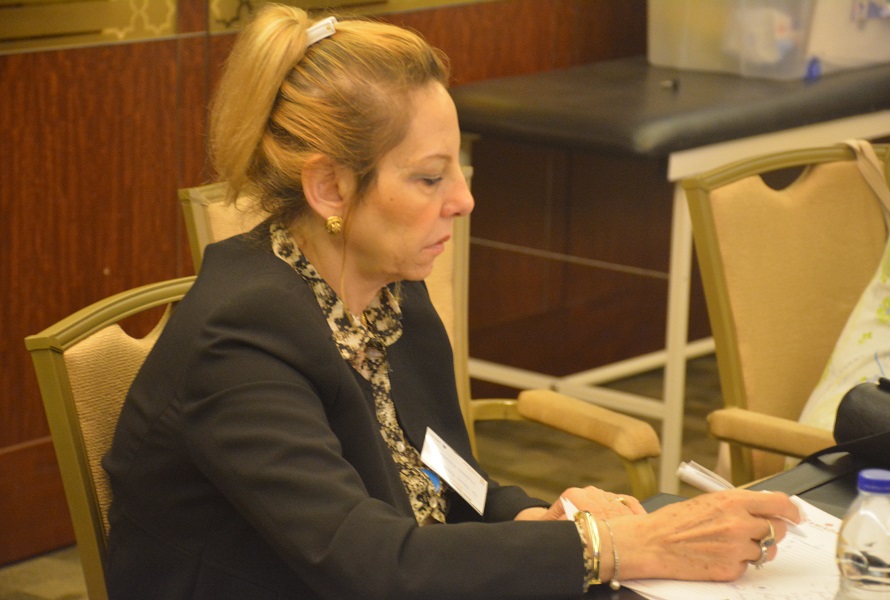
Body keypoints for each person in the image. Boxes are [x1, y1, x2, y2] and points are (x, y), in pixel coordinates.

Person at [101, 4, 801, 599]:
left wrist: (541, 522)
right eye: (430, 179)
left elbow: (450, 486)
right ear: (331, 189)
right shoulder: (241, 337)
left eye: (457, 169)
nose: (464, 201)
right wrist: (611, 547)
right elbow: (372, 562)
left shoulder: (388, 295)